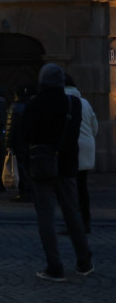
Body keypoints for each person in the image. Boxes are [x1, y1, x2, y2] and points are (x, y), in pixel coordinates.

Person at [22, 63, 91, 281]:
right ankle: (84, 261)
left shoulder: (34, 105)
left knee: (46, 217)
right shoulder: (74, 104)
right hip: (68, 164)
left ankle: (55, 265)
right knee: (72, 213)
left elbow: (24, 135)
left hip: (42, 165)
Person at [64, 74, 97, 234]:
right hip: (86, 146)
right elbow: (94, 126)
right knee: (82, 187)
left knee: (69, 188)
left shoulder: (62, 101)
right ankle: (85, 220)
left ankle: (75, 223)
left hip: (70, 147)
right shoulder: (85, 102)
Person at [5, 85, 34, 203]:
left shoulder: (15, 107)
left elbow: (11, 127)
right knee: (28, 166)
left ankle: (24, 191)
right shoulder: (31, 106)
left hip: (18, 141)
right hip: (29, 141)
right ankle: (30, 190)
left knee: (20, 167)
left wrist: (8, 143)